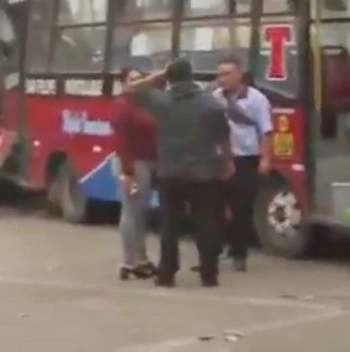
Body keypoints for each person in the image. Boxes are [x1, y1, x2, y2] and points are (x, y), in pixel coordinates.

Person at [126, 58, 232, 288]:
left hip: (170, 173)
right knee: (205, 223)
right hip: (203, 174)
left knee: (169, 226)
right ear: (191, 75)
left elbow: (132, 89)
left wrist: (159, 75)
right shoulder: (210, 104)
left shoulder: (162, 102)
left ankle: (167, 274)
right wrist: (228, 162)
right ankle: (208, 274)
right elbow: (223, 137)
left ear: (170, 78)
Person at [211, 56, 273, 272]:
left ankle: (239, 254)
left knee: (241, 209)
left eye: (227, 74)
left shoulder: (256, 99)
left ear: (239, 75)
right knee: (215, 208)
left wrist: (265, 158)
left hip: (246, 159)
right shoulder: (215, 98)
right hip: (219, 160)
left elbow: (266, 131)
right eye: (220, 74)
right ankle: (213, 252)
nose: (222, 79)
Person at [113, 65, 158, 280]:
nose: (138, 82)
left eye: (140, 78)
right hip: (132, 164)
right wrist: (127, 172)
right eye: (132, 79)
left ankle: (141, 259)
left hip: (146, 163)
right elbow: (122, 143)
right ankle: (128, 261)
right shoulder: (124, 105)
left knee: (140, 213)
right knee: (131, 212)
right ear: (124, 83)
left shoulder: (144, 103)